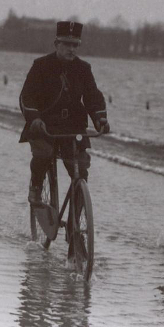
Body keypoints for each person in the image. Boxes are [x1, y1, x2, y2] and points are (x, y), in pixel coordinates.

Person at [19, 21, 110, 204]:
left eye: (75, 45)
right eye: (66, 44)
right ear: (56, 44)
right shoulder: (41, 66)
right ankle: (36, 186)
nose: (71, 49)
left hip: (73, 127)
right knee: (43, 155)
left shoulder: (83, 69)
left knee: (80, 169)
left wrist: (100, 118)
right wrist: (34, 118)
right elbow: (26, 97)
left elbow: (92, 96)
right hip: (45, 124)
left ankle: (75, 225)